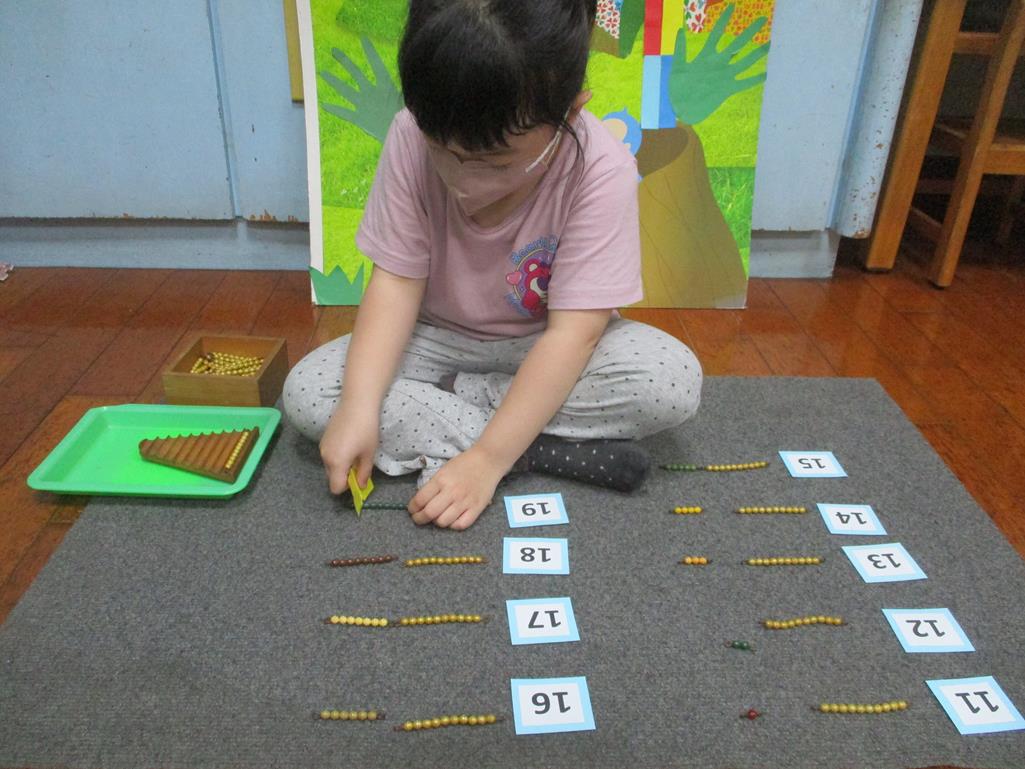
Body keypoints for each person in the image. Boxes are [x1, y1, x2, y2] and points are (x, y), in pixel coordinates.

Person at [283, 0, 702, 529]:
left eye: (495, 163)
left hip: (547, 344)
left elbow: (573, 336)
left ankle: (482, 429)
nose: (462, 181)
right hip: (435, 341)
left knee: (669, 381)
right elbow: (395, 285)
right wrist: (360, 408)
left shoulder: (600, 167)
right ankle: (540, 448)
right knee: (310, 392)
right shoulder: (408, 133)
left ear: (570, 114)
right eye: (443, 150)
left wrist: (486, 462)